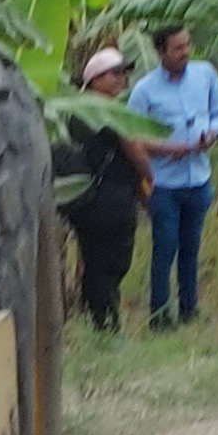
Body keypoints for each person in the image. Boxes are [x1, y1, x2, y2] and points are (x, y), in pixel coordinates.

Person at [129, 22, 218, 331]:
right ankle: (159, 316)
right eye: (178, 48)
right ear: (161, 53)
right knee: (165, 248)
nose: (185, 52)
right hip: (164, 184)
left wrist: (212, 134)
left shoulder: (205, 75)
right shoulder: (144, 91)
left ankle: (189, 308)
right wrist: (169, 149)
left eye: (187, 45)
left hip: (198, 179)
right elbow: (132, 136)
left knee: (191, 248)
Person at [58, 44, 148, 334]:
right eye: (115, 73)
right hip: (109, 197)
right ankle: (107, 326)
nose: (122, 79)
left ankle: (98, 321)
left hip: (85, 198)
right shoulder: (107, 111)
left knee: (96, 261)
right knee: (111, 263)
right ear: (95, 79)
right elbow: (136, 151)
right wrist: (152, 181)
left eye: (123, 73)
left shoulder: (73, 108)